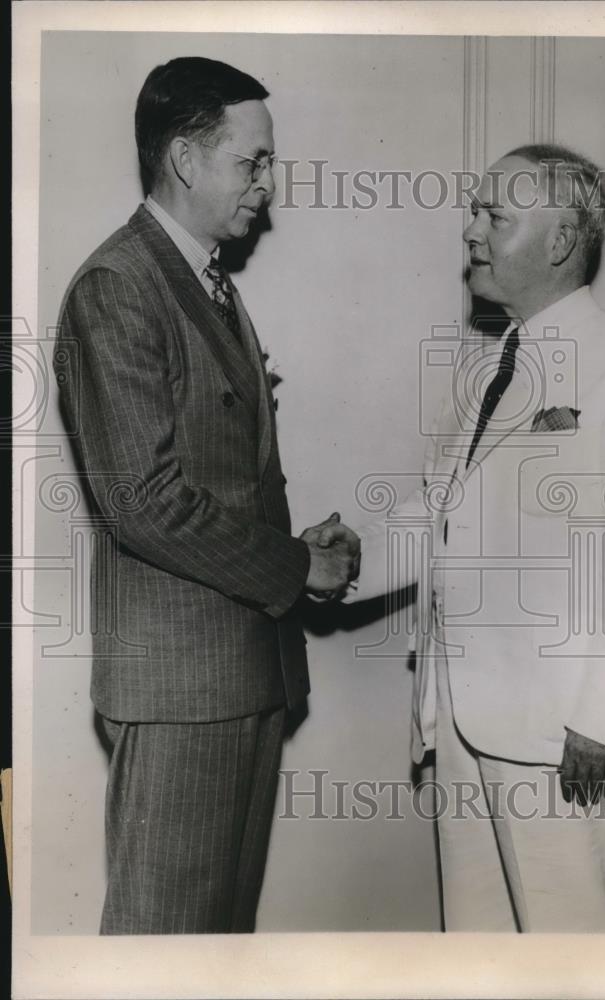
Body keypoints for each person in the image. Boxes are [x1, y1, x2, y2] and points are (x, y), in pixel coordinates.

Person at [342, 144, 605, 932]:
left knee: (580, 954)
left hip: (565, 741)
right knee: (481, 956)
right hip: (462, 724)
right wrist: (340, 564)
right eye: (474, 212)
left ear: (558, 242)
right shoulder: (485, 373)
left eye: (494, 217)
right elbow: (440, 515)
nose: (470, 231)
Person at [54, 56, 359, 935]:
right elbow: (144, 502)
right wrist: (298, 565)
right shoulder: (120, 286)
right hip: (184, 689)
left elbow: (213, 473)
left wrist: (300, 543)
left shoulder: (204, 282)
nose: (268, 183)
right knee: (162, 951)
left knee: (213, 951)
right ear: (186, 159)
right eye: (252, 161)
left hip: (240, 678)